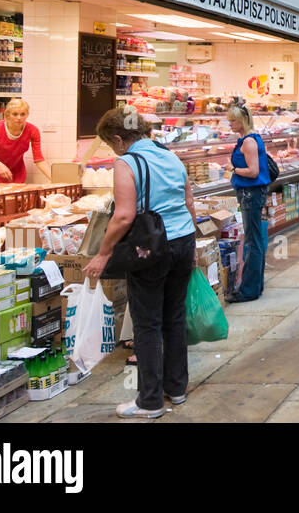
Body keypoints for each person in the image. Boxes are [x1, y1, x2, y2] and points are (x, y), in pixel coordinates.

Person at [83, 106, 195, 419]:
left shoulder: (127, 162)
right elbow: (188, 203)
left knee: (147, 325)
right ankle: (176, 389)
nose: (113, 149)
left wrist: (103, 253)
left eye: (111, 143)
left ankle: (149, 402)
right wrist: (194, 245)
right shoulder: (171, 155)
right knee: (174, 318)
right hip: (183, 241)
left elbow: (123, 215)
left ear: (119, 139)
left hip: (151, 249)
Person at [226, 104, 271, 303]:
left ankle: (249, 290)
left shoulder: (249, 142)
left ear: (242, 121)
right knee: (256, 239)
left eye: (233, 120)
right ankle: (255, 285)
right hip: (251, 194)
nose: (230, 124)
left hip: (250, 195)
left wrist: (233, 169)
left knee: (253, 241)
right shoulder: (249, 139)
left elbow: (253, 172)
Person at [0, 97, 52, 184]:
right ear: (8, 114)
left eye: (22, 114)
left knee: (15, 197)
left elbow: (39, 160)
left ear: (27, 114)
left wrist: (55, 179)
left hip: (17, 170)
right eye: (15, 114)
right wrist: (0, 165)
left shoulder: (33, 131)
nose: (19, 117)